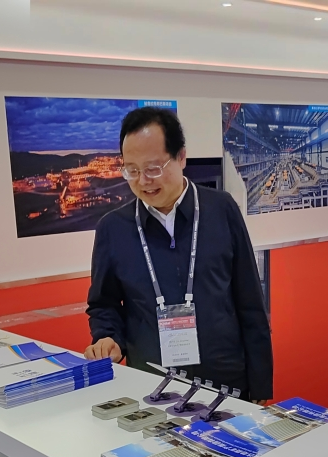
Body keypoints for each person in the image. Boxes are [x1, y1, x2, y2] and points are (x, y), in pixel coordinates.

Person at [84, 107, 273, 403]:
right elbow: (104, 303)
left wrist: (260, 385)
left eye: (153, 168)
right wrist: (108, 337)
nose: (143, 181)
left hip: (226, 385)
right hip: (151, 388)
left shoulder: (221, 210)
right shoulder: (113, 229)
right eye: (132, 170)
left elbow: (250, 299)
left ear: (181, 157)